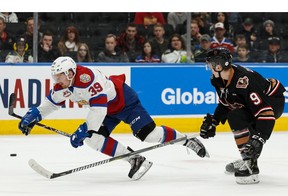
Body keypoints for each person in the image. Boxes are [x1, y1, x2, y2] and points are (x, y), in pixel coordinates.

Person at [18, 56, 209, 180]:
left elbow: (99, 110)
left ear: (70, 73)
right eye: (55, 76)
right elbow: (51, 103)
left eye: (59, 76)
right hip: (106, 110)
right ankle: (134, 159)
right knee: (93, 139)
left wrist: (84, 129)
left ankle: (186, 139)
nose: (56, 80)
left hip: (124, 102)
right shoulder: (62, 85)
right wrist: (33, 115)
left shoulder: (88, 78)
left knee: (148, 135)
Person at [200, 47, 285, 184]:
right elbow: (226, 104)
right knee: (236, 115)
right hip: (260, 103)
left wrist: (260, 137)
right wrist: (214, 121)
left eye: (210, 63)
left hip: (272, 101)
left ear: (219, 64)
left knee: (237, 117)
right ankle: (247, 159)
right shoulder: (217, 80)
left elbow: (265, 112)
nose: (208, 66)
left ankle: (250, 165)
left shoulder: (244, 80)